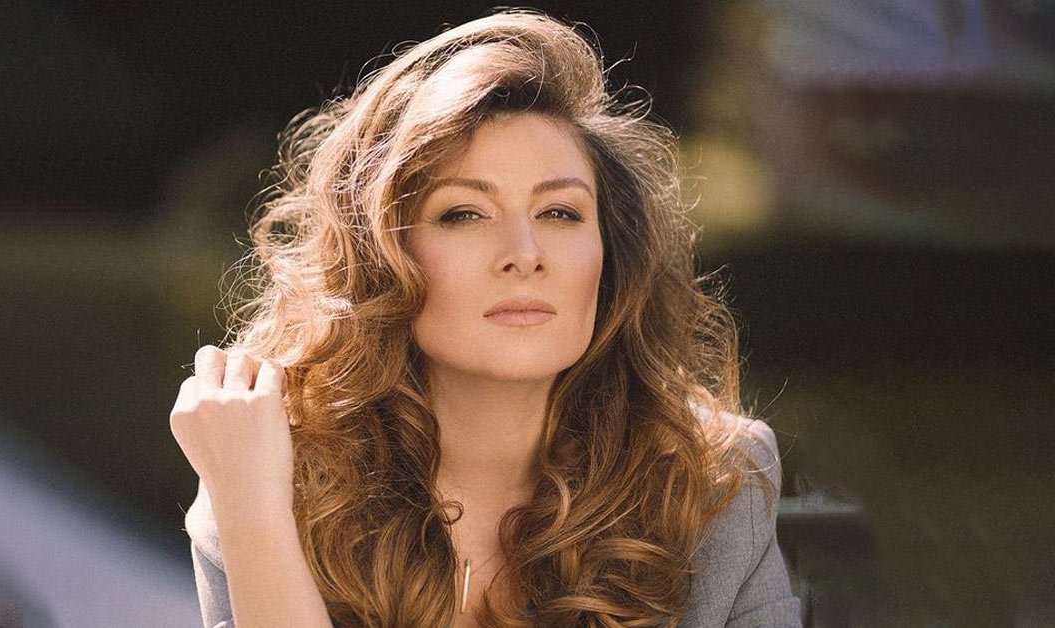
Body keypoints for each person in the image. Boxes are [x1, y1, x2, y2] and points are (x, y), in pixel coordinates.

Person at [171, 9, 801, 628]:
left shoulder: (713, 484)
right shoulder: (263, 476)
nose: (525, 254)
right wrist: (252, 504)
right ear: (377, 258)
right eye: (464, 214)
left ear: (610, 255)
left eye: (560, 213)